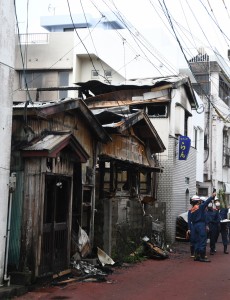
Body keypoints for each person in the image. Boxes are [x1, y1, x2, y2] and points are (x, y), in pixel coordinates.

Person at [190, 191, 216, 262]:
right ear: (198, 202)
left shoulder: (191, 210)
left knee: (197, 241)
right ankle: (202, 257)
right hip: (200, 225)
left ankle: (196, 256)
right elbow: (207, 202)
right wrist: (212, 196)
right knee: (202, 240)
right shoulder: (200, 207)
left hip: (195, 225)